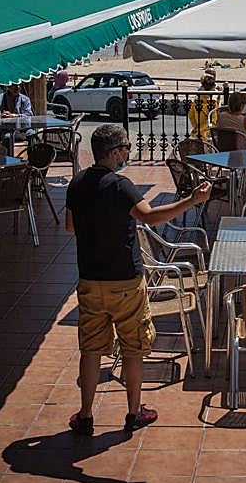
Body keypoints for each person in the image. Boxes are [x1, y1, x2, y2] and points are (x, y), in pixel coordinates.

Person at [65, 124, 211, 436]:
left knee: (90, 350)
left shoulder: (77, 183)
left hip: (90, 279)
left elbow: (70, 226)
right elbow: (150, 216)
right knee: (133, 349)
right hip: (125, 281)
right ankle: (133, 413)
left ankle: (86, 415)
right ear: (115, 151)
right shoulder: (121, 186)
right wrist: (191, 201)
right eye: (127, 148)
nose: (128, 153)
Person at [187, 73, 219, 140]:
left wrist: (196, 127)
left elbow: (191, 115)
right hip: (207, 134)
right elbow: (214, 120)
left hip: (197, 132)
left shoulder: (196, 100)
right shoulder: (213, 102)